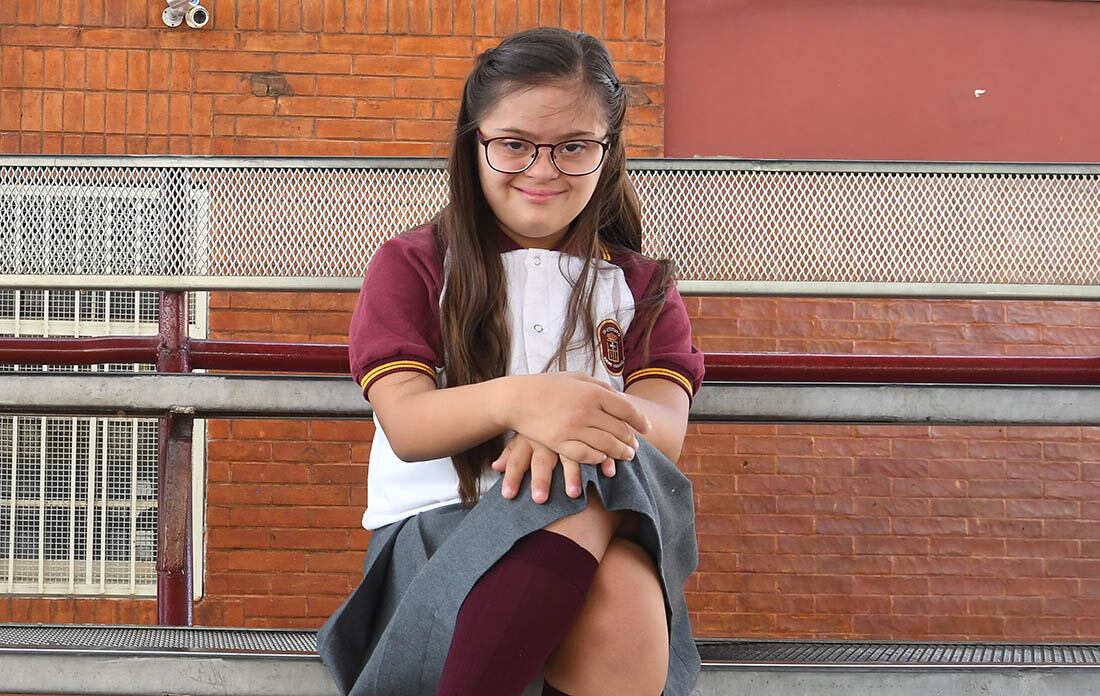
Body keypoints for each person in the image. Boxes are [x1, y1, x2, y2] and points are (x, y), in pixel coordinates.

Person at [317, 27, 704, 696]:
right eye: (515, 144)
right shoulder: (413, 265)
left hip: (601, 535)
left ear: (607, 154)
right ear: (475, 144)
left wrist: (567, 427)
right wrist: (525, 401)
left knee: (610, 539)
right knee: (592, 496)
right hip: (438, 536)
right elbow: (408, 425)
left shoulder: (641, 284)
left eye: (574, 146)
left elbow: (665, 433)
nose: (543, 169)